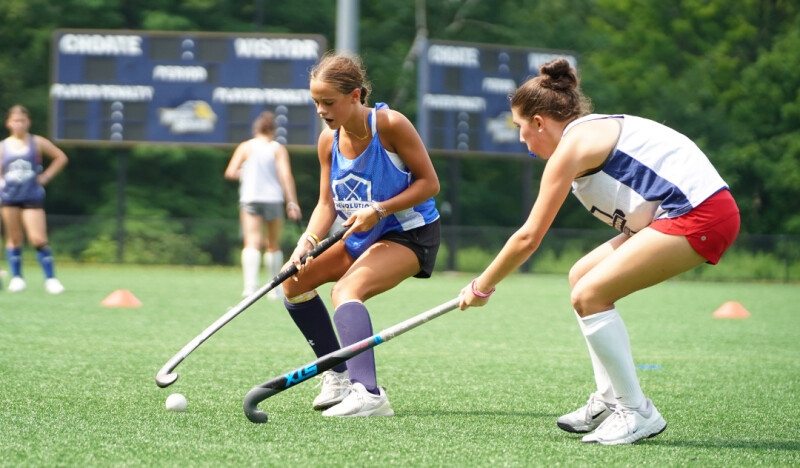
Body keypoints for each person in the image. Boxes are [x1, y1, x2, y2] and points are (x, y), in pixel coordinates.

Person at [457, 58, 740, 445]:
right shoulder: (590, 130)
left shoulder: (572, 148)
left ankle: (636, 411)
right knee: (581, 276)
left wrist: (482, 286)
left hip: (700, 214)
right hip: (681, 212)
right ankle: (610, 398)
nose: (522, 139)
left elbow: (528, 238)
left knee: (590, 294)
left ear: (539, 122)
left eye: (521, 129)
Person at [281, 52, 441, 417]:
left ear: (355, 96)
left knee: (346, 291)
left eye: (329, 102)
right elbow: (326, 204)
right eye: (316, 102)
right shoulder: (328, 141)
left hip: (409, 232)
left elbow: (429, 184)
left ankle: (369, 394)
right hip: (358, 234)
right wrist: (307, 240)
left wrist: (380, 209)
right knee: (294, 283)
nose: (321, 110)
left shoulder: (390, 124)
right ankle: (336, 374)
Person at [224, 111, 302, 299]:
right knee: (273, 245)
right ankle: (274, 289)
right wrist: (292, 202)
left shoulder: (245, 147)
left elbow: (230, 172)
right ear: (273, 130)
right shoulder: (277, 148)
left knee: (251, 241)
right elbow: (285, 176)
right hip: (273, 198)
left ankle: (250, 287)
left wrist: (245, 173)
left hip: (250, 197)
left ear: (256, 128)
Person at [0, 105, 68, 294]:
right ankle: (17, 277)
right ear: (8, 123)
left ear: (28, 122)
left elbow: (60, 157)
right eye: (15, 121)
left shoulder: (36, 142)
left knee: (38, 238)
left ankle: (51, 279)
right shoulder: (3, 146)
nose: (19, 124)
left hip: (31, 195)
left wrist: (45, 177)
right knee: (14, 238)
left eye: (22, 120)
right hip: (10, 196)